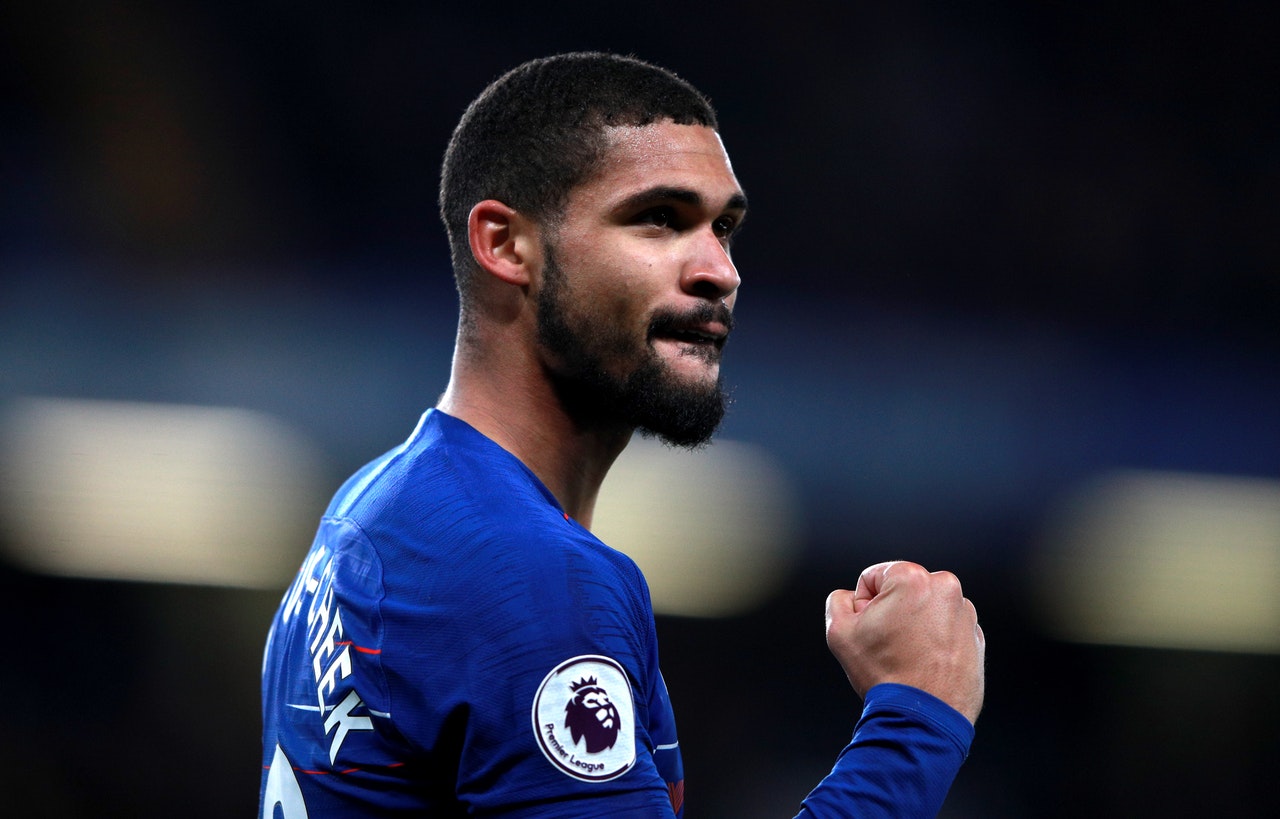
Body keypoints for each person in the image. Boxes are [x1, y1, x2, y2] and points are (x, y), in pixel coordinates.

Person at [259, 52, 985, 818]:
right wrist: (916, 719)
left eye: (724, 227)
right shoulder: (527, 575)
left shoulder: (379, 504)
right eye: (660, 218)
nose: (720, 270)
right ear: (506, 245)